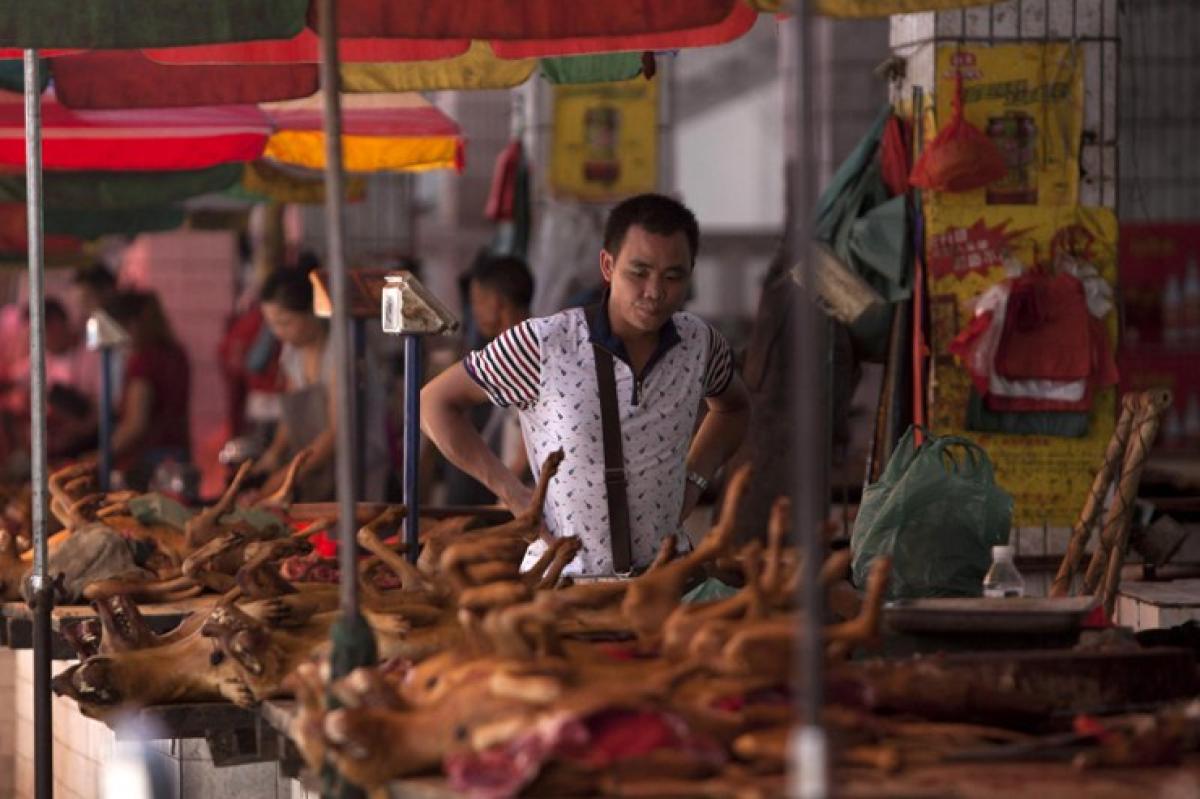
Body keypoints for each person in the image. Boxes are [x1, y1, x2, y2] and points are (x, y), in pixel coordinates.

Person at [422, 193, 751, 577]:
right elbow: (435, 401)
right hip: (563, 585)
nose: (655, 291)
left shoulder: (699, 344)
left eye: (673, 276)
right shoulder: (544, 343)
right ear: (608, 266)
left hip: (665, 583)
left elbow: (734, 408)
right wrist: (514, 494)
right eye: (639, 272)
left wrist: (694, 479)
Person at [443, 253, 535, 505]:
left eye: (478, 301)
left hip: (522, 496)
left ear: (497, 302)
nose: (475, 311)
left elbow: (527, 447)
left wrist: (506, 495)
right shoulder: (515, 347)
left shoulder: (523, 351)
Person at [103, 291, 192, 490]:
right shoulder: (176, 354)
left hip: (147, 465)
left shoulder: (142, 362)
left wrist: (102, 455)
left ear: (130, 325)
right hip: (177, 456)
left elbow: (136, 424)